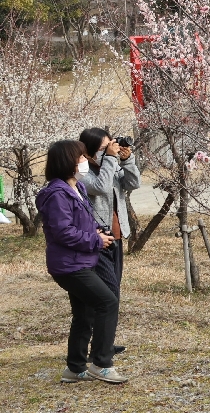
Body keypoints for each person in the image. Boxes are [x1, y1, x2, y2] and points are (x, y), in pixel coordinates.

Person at [35, 140, 128, 384]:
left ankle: (75, 368)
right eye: (81, 157)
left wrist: (97, 232)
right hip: (69, 265)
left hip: (81, 260)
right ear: (69, 162)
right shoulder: (57, 193)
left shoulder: (76, 188)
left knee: (84, 313)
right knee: (108, 302)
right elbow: (62, 232)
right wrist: (96, 240)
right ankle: (101, 363)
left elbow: (81, 223)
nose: (86, 161)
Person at [78, 129, 140, 316]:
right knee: (107, 292)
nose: (109, 151)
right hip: (97, 237)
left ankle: (107, 341)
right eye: (104, 148)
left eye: (110, 146)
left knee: (114, 287)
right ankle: (102, 340)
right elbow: (100, 187)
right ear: (88, 152)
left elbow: (133, 184)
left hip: (117, 235)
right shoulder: (83, 173)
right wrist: (111, 159)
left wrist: (127, 160)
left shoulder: (111, 165)